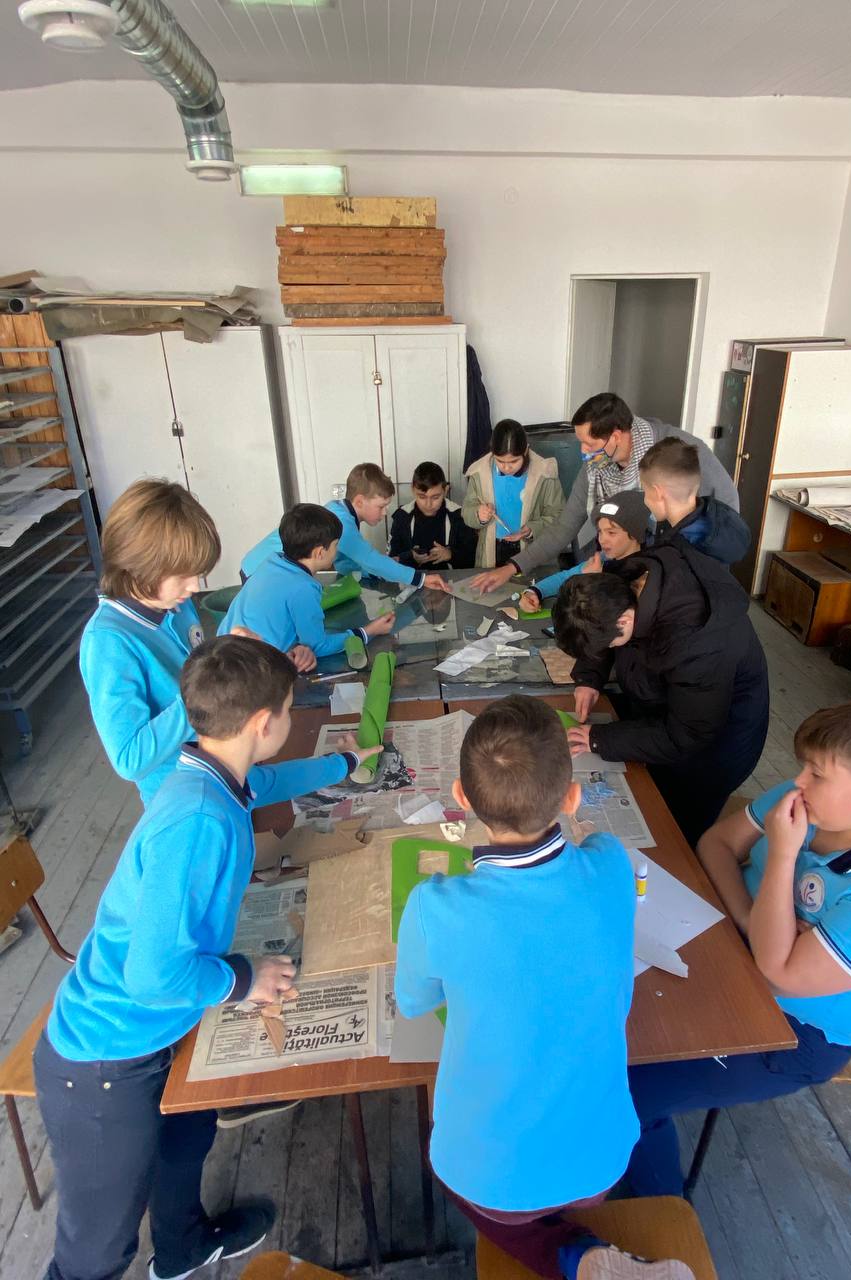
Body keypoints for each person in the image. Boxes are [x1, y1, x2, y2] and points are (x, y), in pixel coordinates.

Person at [34, 635, 383, 1280]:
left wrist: (341, 764)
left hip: (159, 1029)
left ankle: (183, 1246)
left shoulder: (207, 770)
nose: (289, 718)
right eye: (289, 709)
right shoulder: (199, 819)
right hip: (106, 1059)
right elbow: (152, 976)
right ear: (264, 723)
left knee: (186, 1137)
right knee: (97, 1250)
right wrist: (245, 978)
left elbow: (266, 781)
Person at [395, 697, 692, 1280]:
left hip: (496, 1185)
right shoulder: (611, 863)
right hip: (602, 1162)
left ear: (460, 797)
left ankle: (575, 1257)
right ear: (572, 798)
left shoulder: (435, 907)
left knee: (462, 1175)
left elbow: (414, 1002)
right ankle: (582, 1245)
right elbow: (592, 851)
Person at [626, 699, 851, 1198]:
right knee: (616, 1022)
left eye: (816, 773)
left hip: (798, 1032)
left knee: (627, 1093)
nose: (798, 781)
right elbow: (715, 845)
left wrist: (781, 852)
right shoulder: (808, 804)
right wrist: (752, 919)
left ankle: (660, 1215)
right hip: (733, 947)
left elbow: (777, 974)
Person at [553, 539, 769, 847]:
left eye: (609, 644)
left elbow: (687, 734)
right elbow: (598, 624)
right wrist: (589, 678)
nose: (609, 648)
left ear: (625, 621)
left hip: (715, 743)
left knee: (675, 833)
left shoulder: (697, 640)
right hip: (674, 707)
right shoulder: (623, 581)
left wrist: (600, 739)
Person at [471, 392, 738, 593]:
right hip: (630, 567)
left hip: (684, 571)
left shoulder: (675, 452)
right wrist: (513, 567)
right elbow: (565, 526)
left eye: (589, 443)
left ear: (616, 436)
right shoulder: (596, 465)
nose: (583, 451)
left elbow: (725, 511)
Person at [79, 479, 221, 807]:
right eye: (182, 575)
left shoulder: (174, 604)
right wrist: (204, 698)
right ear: (139, 567)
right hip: (180, 798)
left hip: (219, 768)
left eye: (197, 573)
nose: (194, 586)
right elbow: (130, 758)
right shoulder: (108, 642)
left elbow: (195, 666)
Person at [219, 503, 394, 673]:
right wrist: (369, 631)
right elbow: (318, 645)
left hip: (222, 650)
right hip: (251, 668)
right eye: (336, 545)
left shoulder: (272, 561)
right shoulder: (304, 587)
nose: (337, 550)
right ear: (320, 553)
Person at [241, 463, 449, 592]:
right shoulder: (342, 523)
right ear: (359, 501)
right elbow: (370, 559)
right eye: (381, 506)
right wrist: (419, 578)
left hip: (256, 567)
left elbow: (345, 562)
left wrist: (377, 572)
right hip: (259, 573)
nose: (385, 513)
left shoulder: (340, 510)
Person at [517, 490, 650, 612]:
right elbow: (564, 578)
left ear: (635, 534)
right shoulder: (603, 560)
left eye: (611, 533)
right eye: (600, 532)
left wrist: (591, 581)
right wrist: (534, 592)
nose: (602, 540)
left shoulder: (646, 574)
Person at [462, 419, 565, 569]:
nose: (507, 468)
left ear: (526, 450)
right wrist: (479, 514)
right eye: (500, 461)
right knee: (492, 583)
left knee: (528, 583)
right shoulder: (479, 472)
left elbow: (559, 515)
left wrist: (532, 529)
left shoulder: (545, 473)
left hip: (531, 550)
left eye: (514, 461)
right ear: (493, 452)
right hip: (492, 551)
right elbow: (467, 511)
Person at [639, 436, 750, 565]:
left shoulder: (679, 555)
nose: (645, 500)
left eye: (645, 491)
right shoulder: (716, 517)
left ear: (658, 493)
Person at [389, 461, 477, 570]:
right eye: (422, 497)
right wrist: (410, 556)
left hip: (450, 579)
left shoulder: (459, 516)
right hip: (411, 579)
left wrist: (451, 555)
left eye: (435, 497)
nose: (428, 504)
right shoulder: (402, 517)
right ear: (413, 489)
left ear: (445, 490)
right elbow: (390, 561)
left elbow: (473, 559)